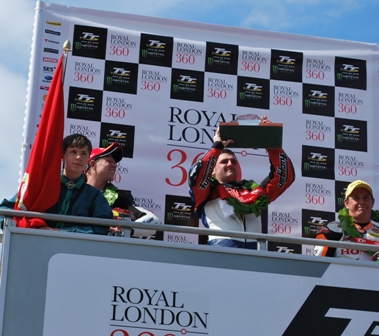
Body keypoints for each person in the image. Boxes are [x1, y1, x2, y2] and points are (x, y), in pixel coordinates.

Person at [188, 119, 295, 249]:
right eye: (224, 162)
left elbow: (285, 176)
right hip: (221, 256)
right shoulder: (207, 192)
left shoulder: (253, 192)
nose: (230, 164)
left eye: (233, 162)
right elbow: (196, 176)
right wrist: (217, 147)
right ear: (213, 171)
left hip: (255, 259)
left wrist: (271, 141)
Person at [1, 134, 114, 234]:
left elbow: (102, 227)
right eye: (73, 152)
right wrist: (19, 229)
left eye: (83, 153)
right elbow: (5, 209)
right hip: (37, 246)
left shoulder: (94, 195)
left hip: (75, 253)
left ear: (88, 159)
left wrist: (61, 232)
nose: (78, 157)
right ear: (63, 156)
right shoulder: (43, 186)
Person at [86, 142, 160, 238]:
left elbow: (153, 221)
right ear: (93, 164)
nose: (115, 165)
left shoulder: (120, 197)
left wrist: (127, 229)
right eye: (109, 161)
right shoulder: (72, 190)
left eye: (115, 162)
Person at [314, 179, 379, 260]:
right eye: (356, 198)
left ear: (372, 202)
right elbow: (318, 262)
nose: (361, 202)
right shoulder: (333, 229)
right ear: (346, 203)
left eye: (365, 198)